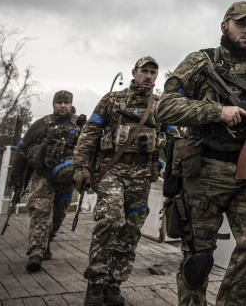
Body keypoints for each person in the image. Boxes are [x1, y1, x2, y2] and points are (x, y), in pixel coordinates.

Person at [156, 1, 246, 306]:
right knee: (198, 257)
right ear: (224, 26)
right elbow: (164, 107)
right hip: (205, 171)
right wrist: (216, 111)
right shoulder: (200, 61)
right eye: (241, 23)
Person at [73, 56, 175, 306]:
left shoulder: (160, 105)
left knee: (130, 231)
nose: (149, 76)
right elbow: (90, 132)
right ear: (134, 72)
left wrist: (167, 146)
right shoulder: (112, 100)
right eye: (144, 71)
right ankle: (95, 283)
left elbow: (173, 138)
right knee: (110, 219)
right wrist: (81, 165)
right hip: (112, 171)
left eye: (153, 72)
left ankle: (113, 284)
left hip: (141, 177)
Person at [11, 89, 83, 272]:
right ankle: (36, 252)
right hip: (43, 175)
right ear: (54, 104)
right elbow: (22, 148)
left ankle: (47, 241)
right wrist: (16, 176)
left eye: (66, 102)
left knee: (58, 215)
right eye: (59, 102)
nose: (63, 106)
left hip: (67, 179)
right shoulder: (42, 124)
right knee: (41, 211)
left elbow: (89, 149)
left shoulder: (79, 125)